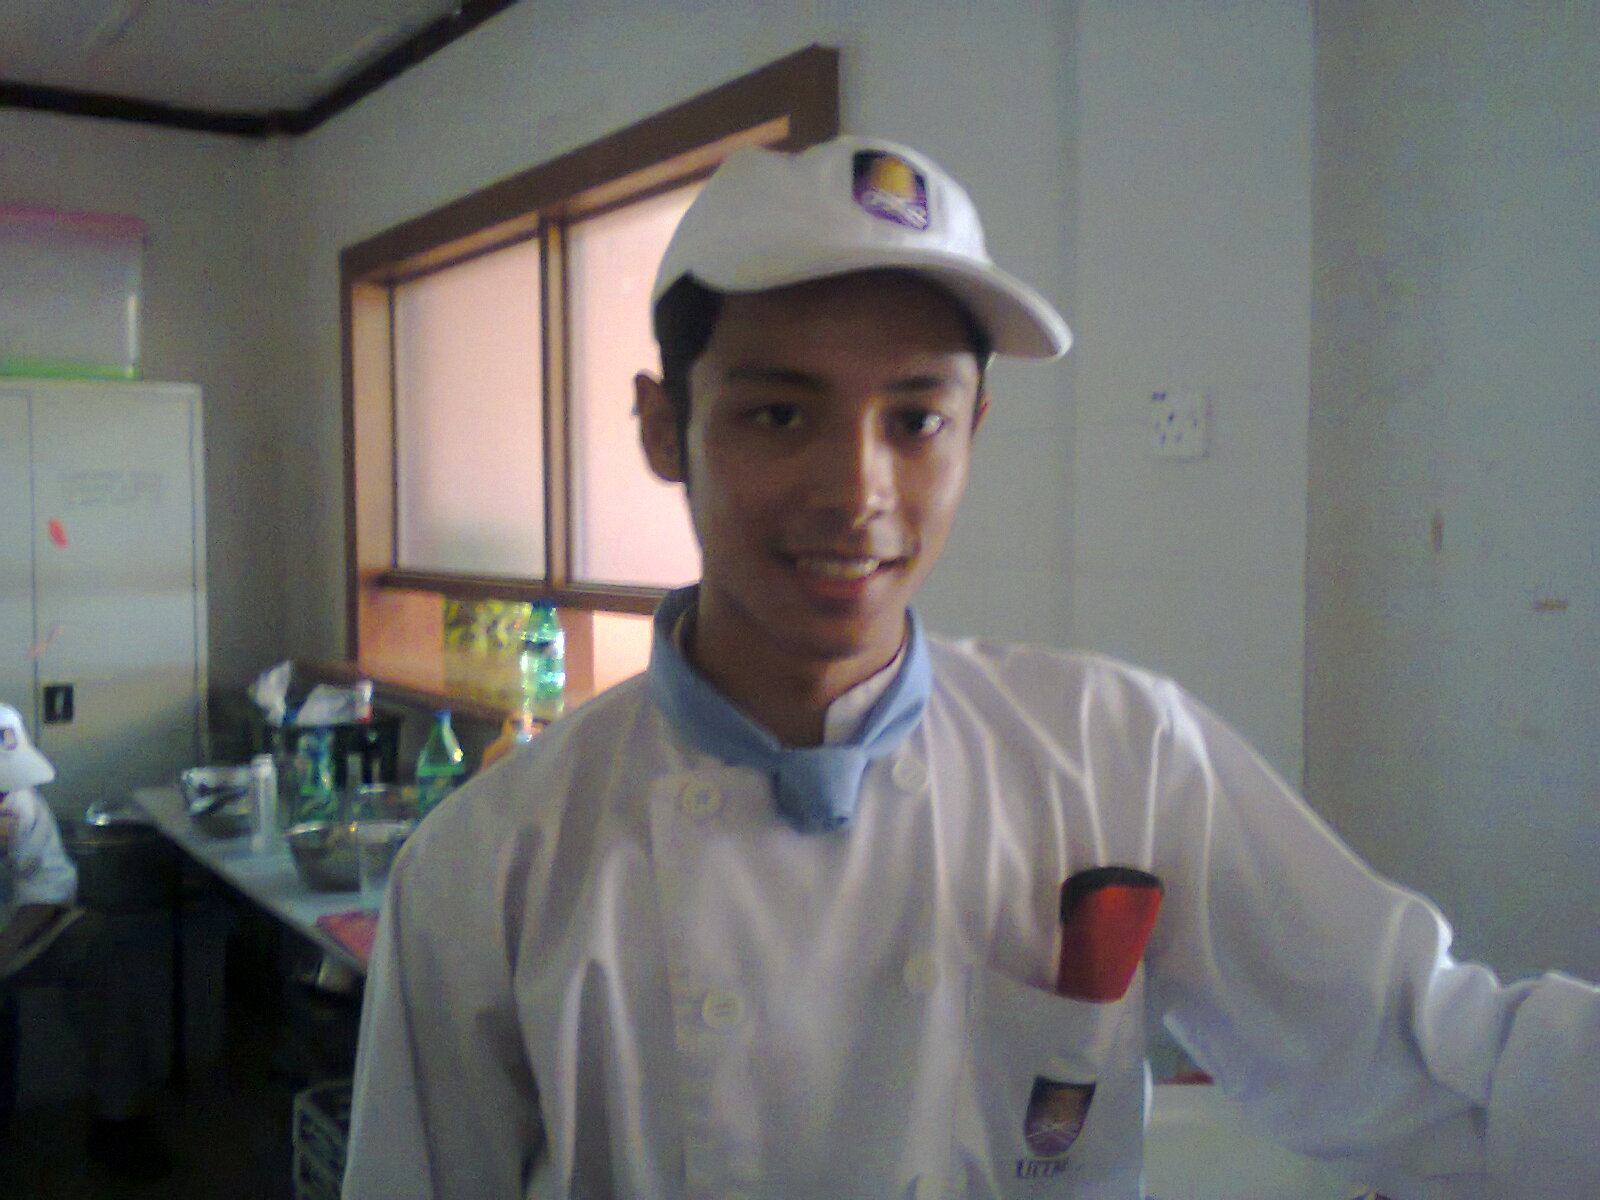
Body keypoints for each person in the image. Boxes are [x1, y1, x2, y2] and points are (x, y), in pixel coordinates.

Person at [344, 136, 1598, 1199]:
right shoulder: (492, 868)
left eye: (915, 419)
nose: (858, 490)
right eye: (779, 413)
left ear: (973, 429)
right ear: (665, 429)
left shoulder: (1118, 758)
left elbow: (1426, 1065)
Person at [0, 702, 172, 1182]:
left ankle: (120, 1120)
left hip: (12, 936)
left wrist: (5, 951)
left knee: (97, 942)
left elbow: (48, 888)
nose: (5, 796)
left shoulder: (21, 805)